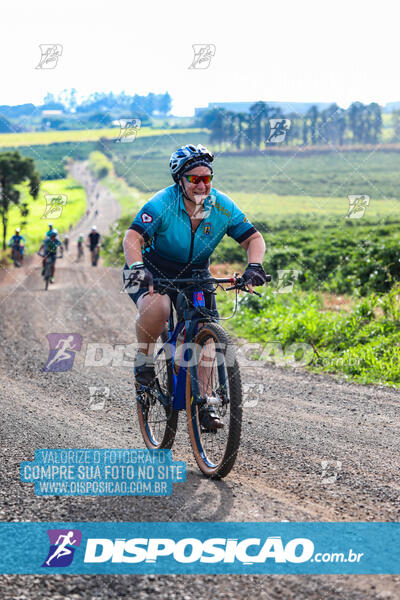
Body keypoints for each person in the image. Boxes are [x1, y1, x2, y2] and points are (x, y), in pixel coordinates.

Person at [122, 144, 268, 430]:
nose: (202, 184)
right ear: (180, 180)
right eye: (194, 179)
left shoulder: (222, 205)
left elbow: (253, 238)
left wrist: (255, 266)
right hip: (151, 269)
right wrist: (138, 268)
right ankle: (144, 360)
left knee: (205, 331)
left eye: (207, 178)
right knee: (159, 307)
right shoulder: (162, 203)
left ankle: (206, 403)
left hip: (196, 273)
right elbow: (131, 239)